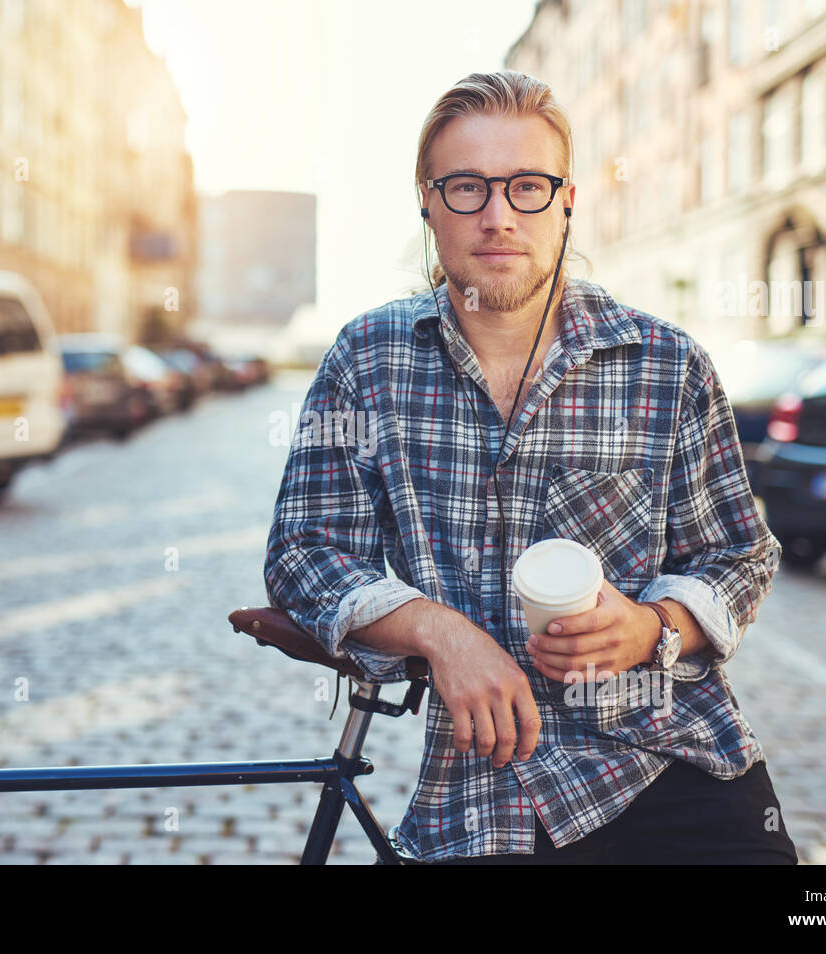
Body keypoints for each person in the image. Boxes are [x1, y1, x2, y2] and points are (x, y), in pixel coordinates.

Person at [263, 70, 796, 864]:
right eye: (467, 187)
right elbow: (302, 551)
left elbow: (741, 555)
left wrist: (652, 626)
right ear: (427, 202)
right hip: (481, 795)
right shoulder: (366, 360)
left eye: (527, 187)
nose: (498, 215)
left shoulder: (665, 363)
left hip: (672, 771)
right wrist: (440, 633)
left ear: (567, 199)